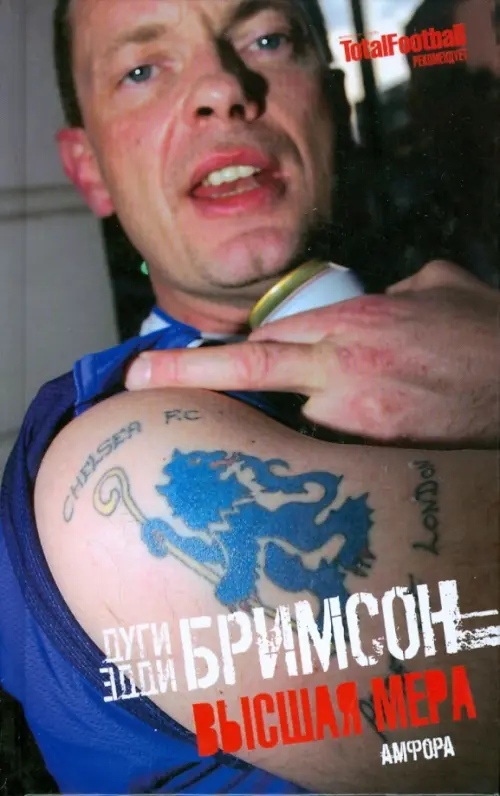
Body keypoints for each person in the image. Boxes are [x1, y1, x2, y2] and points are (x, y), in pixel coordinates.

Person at [0, 0, 498, 793]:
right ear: (88, 168)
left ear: (332, 103)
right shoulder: (113, 465)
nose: (221, 88)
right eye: (141, 69)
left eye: (267, 39)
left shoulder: (453, 304)